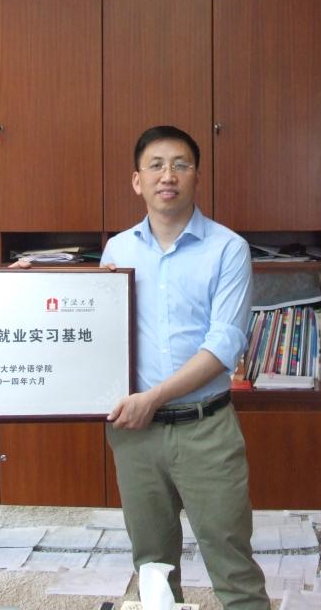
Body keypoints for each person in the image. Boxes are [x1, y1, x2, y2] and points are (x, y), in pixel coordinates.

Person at [102, 125, 269, 610]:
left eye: (180, 164)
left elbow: (223, 346)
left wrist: (154, 397)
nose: (167, 175)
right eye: (155, 165)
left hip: (205, 429)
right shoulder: (117, 251)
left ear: (197, 176)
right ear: (137, 181)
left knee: (232, 561)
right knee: (152, 566)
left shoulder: (228, 248)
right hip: (137, 435)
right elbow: (99, 332)